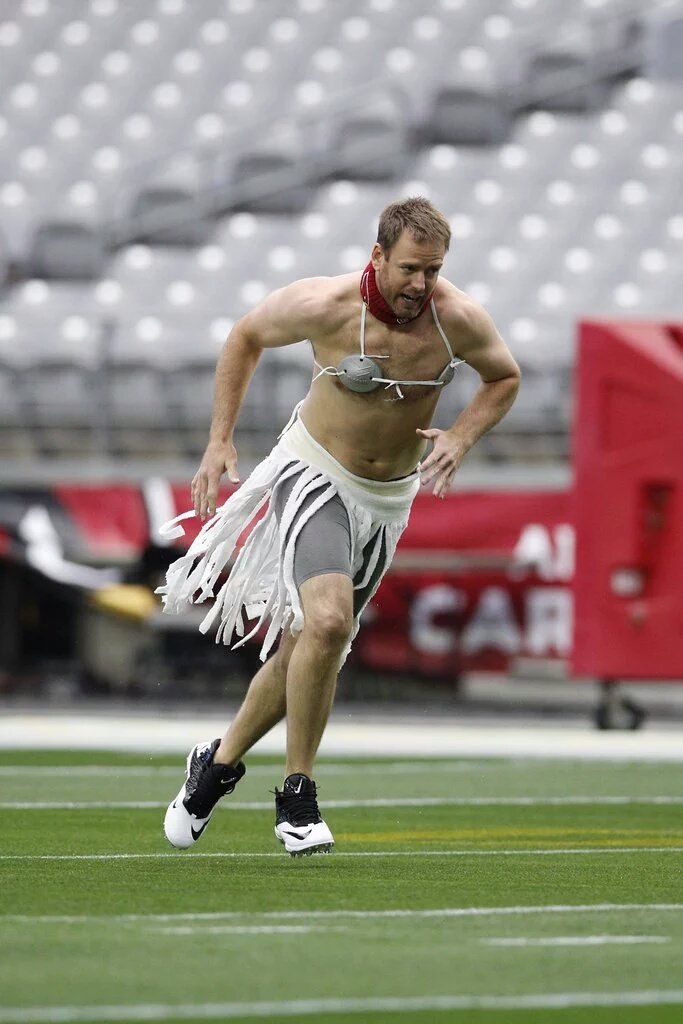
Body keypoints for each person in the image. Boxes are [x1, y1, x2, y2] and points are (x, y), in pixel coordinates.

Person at [159, 196, 520, 857]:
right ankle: (297, 796)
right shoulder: (324, 305)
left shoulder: (455, 319)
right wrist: (220, 441)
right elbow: (244, 336)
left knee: (308, 648)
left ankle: (215, 766)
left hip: (386, 499)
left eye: (432, 270)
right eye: (410, 268)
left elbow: (503, 377)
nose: (420, 284)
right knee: (327, 624)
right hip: (313, 470)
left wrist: (462, 437)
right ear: (377, 255)